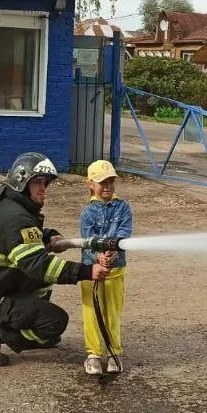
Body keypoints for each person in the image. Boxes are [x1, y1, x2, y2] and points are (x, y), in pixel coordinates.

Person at [0, 152, 110, 367]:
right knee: (55, 322)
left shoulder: (10, 207)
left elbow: (19, 240)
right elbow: (39, 266)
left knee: (42, 284)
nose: (43, 188)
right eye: (38, 182)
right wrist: (87, 271)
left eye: (46, 183)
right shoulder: (17, 218)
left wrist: (47, 235)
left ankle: (29, 327)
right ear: (22, 182)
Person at [79, 160, 133, 375]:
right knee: (91, 312)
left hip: (116, 269)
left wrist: (113, 252)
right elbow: (87, 238)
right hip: (90, 270)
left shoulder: (123, 207)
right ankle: (93, 354)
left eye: (110, 181)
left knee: (112, 313)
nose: (107, 186)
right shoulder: (87, 213)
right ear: (90, 184)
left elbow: (124, 232)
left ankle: (113, 353)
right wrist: (98, 256)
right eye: (102, 182)